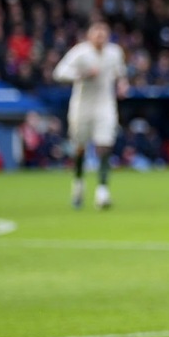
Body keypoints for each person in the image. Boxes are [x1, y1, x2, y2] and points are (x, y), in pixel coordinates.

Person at [53, 20, 127, 209]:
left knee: (105, 145)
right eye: (97, 34)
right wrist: (81, 74)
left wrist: (122, 85)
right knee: (80, 147)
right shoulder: (80, 53)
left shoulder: (114, 53)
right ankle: (78, 183)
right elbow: (59, 72)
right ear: (90, 35)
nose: (100, 37)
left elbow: (120, 74)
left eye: (104, 34)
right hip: (82, 105)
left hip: (105, 104)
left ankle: (102, 192)